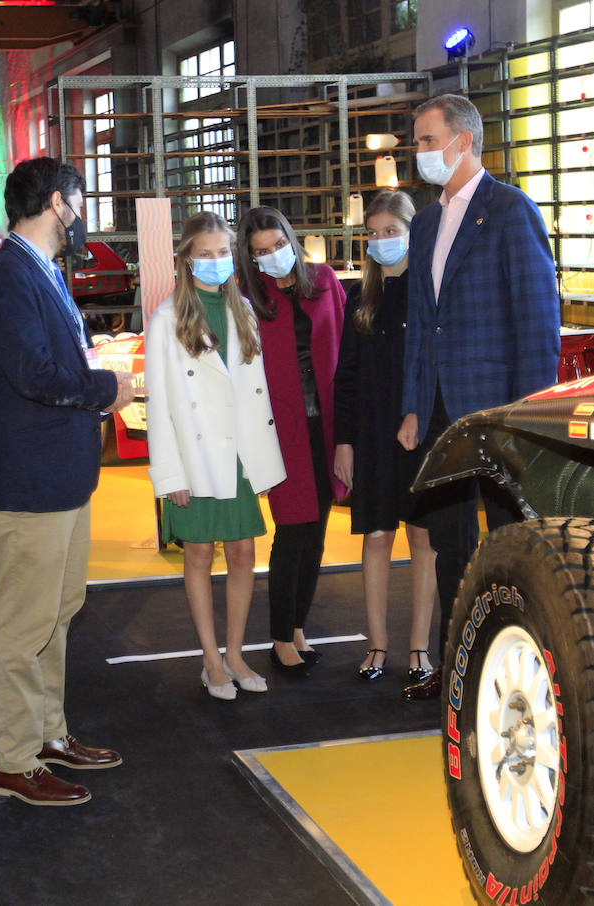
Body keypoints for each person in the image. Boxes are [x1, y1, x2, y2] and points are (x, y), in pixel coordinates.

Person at [0, 157, 133, 806]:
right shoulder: (7, 275)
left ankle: (47, 735)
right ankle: (13, 760)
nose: (81, 210)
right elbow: (32, 375)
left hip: (59, 479)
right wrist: (107, 388)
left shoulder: (40, 271)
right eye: (78, 199)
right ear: (58, 203)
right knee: (22, 624)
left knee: (57, 615)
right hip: (27, 483)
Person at [397, 94, 561, 700]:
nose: (419, 153)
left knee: (511, 542)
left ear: (463, 141)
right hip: (440, 407)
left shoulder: (510, 210)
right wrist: (414, 405)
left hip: (499, 407)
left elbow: (537, 321)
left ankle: (523, 673)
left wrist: (529, 416)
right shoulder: (425, 220)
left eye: (425, 140)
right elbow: (421, 320)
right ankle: (457, 669)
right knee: (449, 545)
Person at [145, 211, 286, 701]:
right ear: (185, 259)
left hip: (241, 456)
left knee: (245, 552)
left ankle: (235, 652)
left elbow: (256, 393)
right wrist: (169, 474)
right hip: (196, 457)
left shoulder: (243, 310)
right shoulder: (166, 319)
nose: (214, 262)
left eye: (222, 252)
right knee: (201, 554)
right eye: (203, 254)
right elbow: (159, 404)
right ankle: (211, 660)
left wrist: (265, 462)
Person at [333, 190, 438, 688]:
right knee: (376, 536)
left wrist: (418, 413)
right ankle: (376, 643)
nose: (381, 242)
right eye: (372, 234)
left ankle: (420, 646)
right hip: (373, 433)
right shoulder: (360, 296)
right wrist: (345, 441)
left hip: (421, 431)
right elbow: (346, 376)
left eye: (391, 232)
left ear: (414, 232)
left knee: (423, 538)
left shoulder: (431, 290)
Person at [237, 207, 347, 678]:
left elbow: (345, 348)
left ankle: (298, 627)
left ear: (291, 237)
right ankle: (281, 635)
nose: (273, 256)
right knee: (291, 532)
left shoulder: (324, 280)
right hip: (280, 429)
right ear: (250, 257)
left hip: (326, 421)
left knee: (317, 530)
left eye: (278, 245)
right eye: (261, 252)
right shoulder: (247, 298)